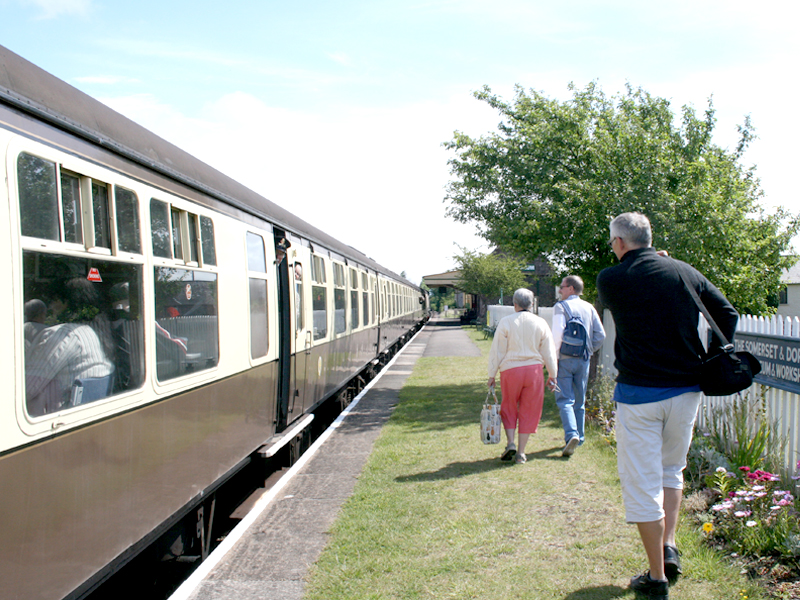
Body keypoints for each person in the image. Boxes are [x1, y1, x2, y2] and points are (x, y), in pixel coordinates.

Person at [596, 212, 738, 600]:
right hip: (686, 390)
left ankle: (657, 578)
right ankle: (669, 545)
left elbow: (634, 288)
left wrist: (652, 262)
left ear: (621, 243)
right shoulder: (682, 271)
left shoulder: (609, 279)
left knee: (642, 484)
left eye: (613, 241)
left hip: (639, 395)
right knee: (672, 470)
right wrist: (711, 358)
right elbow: (727, 312)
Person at [487, 288, 558, 464]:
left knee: (509, 405)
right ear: (532, 304)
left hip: (511, 370)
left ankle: (510, 442)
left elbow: (497, 351)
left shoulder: (506, 322)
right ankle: (521, 452)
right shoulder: (540, 322)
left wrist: (491, 375)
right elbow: (549, 351)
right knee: (530, 409)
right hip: (533, 370)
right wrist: (552, 374)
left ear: (514, 304)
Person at [25, 277, 115, 416]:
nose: (50, 307)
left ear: (66, 303)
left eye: (55, 300)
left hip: (55, 420)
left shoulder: (65, 335)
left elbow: (28, 388)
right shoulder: (91, 332)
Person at [552, 275, 606, 457]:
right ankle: (580, 437)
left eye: (562, 287)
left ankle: (571, 435)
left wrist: (554, 358)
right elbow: (601, 335)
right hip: (584, 359)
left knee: (564, 399)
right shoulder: (589, 307)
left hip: (565, 359)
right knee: (580, 399)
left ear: (571, 288)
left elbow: (557, 335)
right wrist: (589, 350)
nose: (560, 290)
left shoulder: (561, 307)